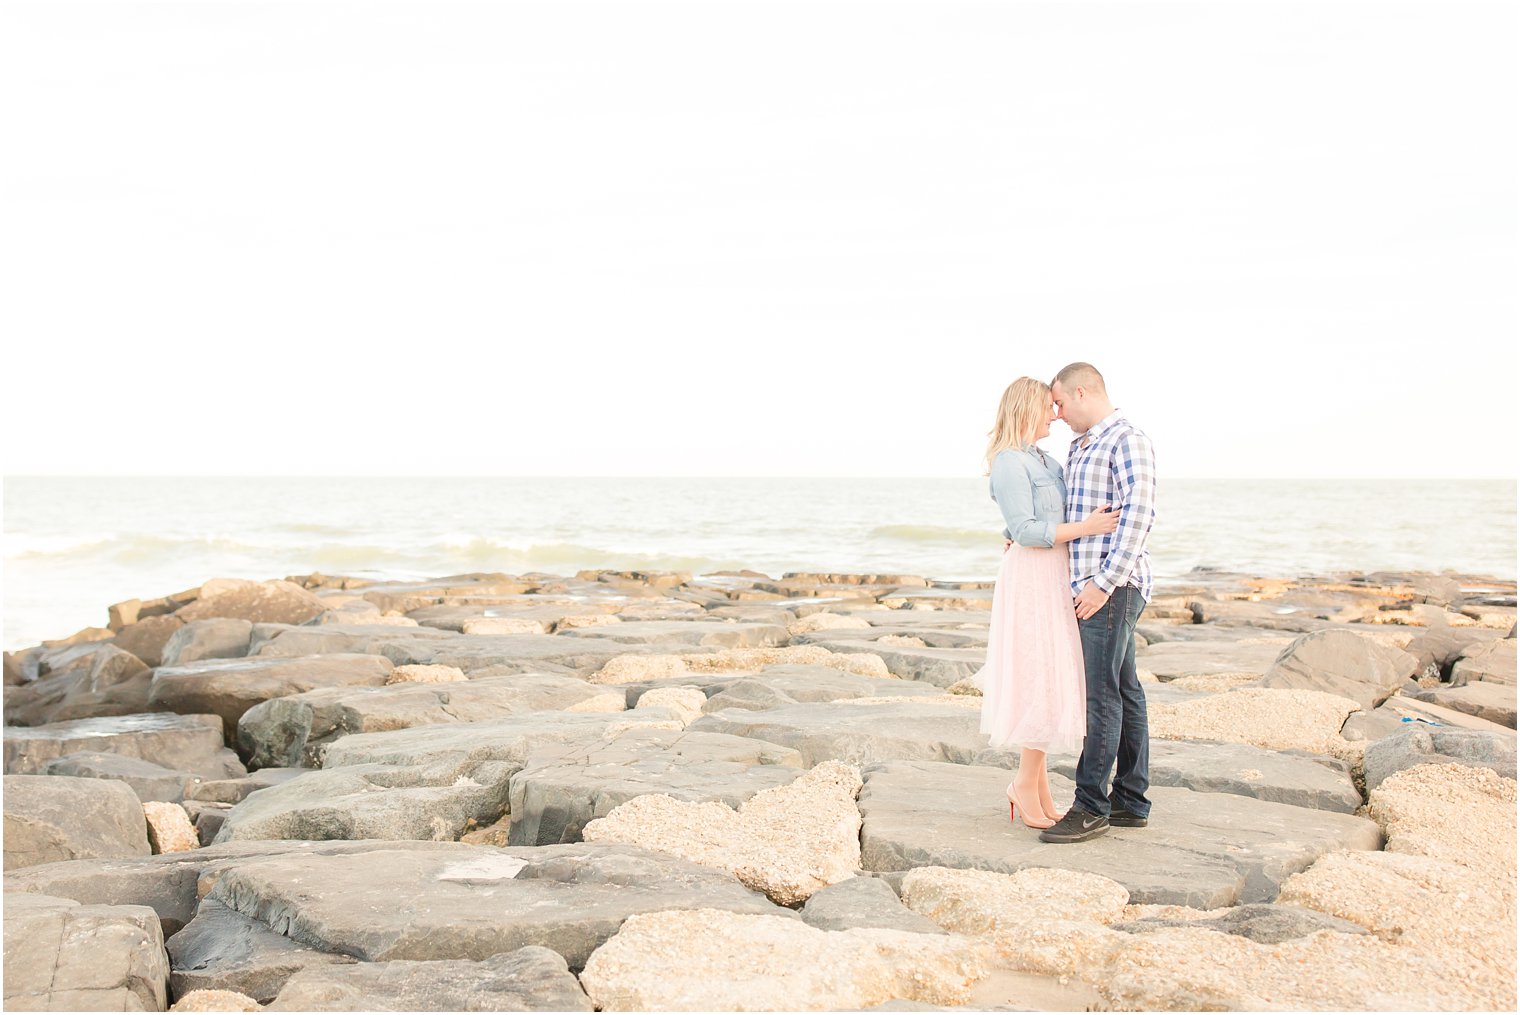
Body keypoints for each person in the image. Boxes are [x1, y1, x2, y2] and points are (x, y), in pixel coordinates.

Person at [973, 377, 1119, 830]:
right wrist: (1088, 528)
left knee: (1052, 678)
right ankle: (1023, 784)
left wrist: (1016, 533)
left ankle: (1035, 787)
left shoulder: (1044, 460)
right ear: (1026, 410)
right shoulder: (1009, 463)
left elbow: (1037, 518)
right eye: (1048, 407)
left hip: (1054, 572)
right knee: (1038, 675)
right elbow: (1029, 531)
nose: (1055, 415)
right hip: (1034, 575)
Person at [1039, 362, 1158, 844]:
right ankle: (1131, 800)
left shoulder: (1125, 439)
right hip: (1091, 584)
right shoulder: (1079, 445)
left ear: (1082, 392)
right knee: (1123, 688)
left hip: (1110, 587)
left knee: (1100, 695)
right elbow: (1072, 513)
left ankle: (1090, 806)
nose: (1058, 414)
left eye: (1061, 404)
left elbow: (1139, 513)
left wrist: (1104, 583)